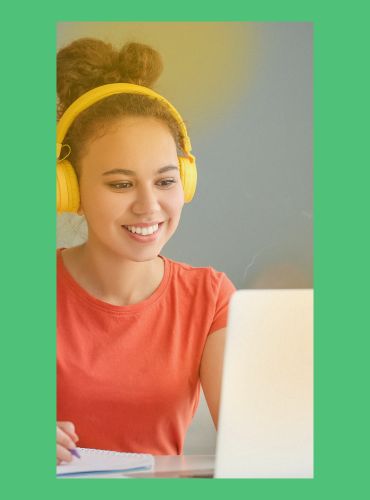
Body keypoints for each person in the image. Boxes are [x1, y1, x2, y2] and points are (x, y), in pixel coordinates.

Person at [56, 37, 236, 464]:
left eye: (166, 181)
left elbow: (258, 437)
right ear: (71, 189)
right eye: (120, 184)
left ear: (186, 181)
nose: (148, 205)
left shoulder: (209, 298)